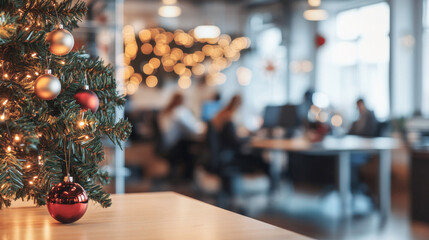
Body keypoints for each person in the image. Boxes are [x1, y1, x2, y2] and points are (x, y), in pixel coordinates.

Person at [158, 92, 205, 179]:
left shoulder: (167, 111)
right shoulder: (179, 112)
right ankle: (188, 178)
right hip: (174, 146)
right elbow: (193, 129)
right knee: (194, 151)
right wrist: (205, 128)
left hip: (167, 145)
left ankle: (185, 177)